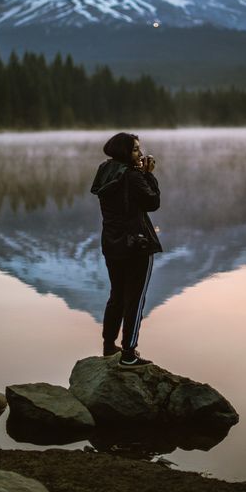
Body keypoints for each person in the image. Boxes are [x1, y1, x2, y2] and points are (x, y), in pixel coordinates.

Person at [91, 132, 162, 366]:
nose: (140, 154)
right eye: (135, 150)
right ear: (124, 152)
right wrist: (148, 175)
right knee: (135, 300)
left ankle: (109, 346)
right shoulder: (133, 176)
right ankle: (129, 354)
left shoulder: (105, 170)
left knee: (117, 296)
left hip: (112, 243)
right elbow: (152, 202)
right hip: (137, 245)